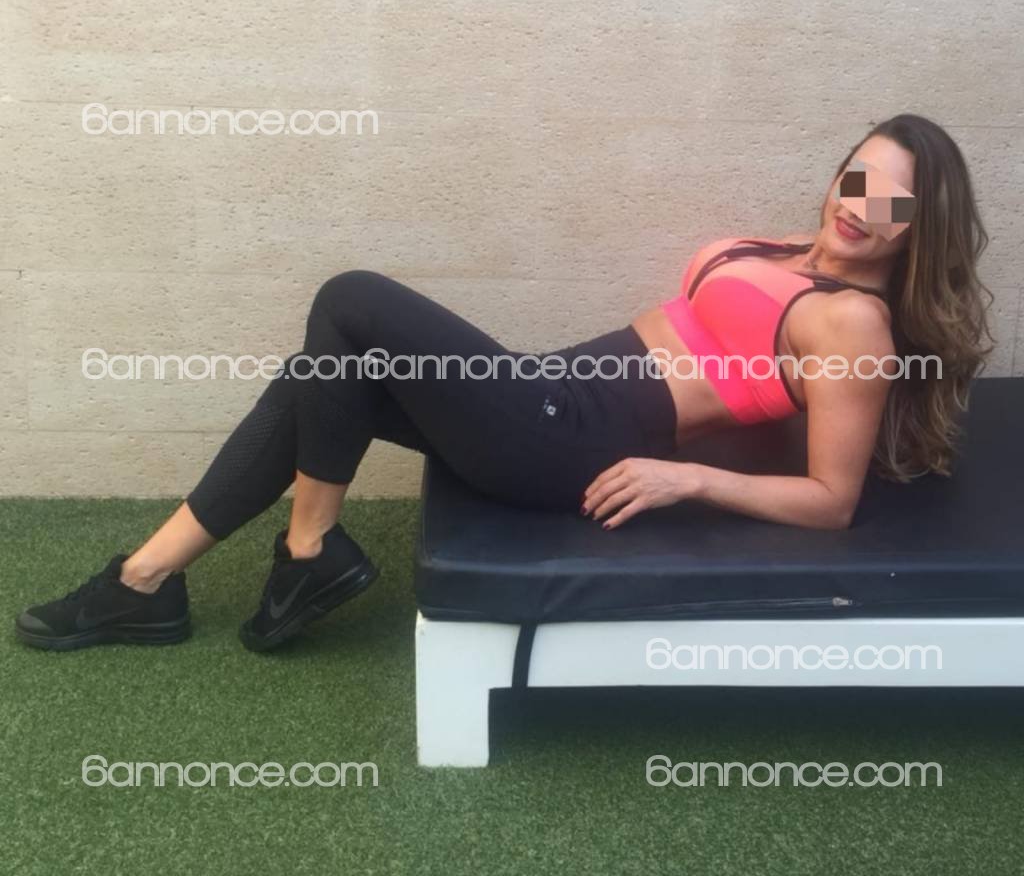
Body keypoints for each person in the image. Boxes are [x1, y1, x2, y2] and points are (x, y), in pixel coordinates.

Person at [14, 114, 992, 652]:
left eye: (893, 200)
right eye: (856, 178)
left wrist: (685, 477)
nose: (861, 206)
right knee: (323, 371)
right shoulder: (785, 248)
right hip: (547, 394)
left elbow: (831, 499)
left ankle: (307, 549)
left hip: (567, 439)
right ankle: (146, 581)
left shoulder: (853, 322)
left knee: (349, 298)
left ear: (919, 224)